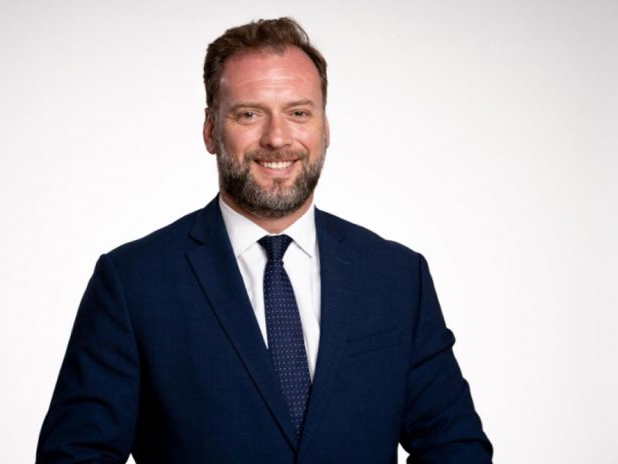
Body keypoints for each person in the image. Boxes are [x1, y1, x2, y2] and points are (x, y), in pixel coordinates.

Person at [37, 17, 493, 463]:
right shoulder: (132, 282)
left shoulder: (397, 276)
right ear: (211, 130)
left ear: (325, 128)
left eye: (298, 113)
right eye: (249, 114)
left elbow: (455, 447)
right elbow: (75, 455)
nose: (277, 138)